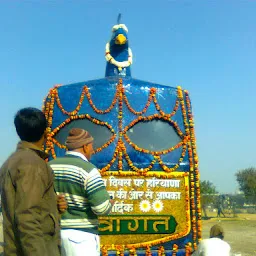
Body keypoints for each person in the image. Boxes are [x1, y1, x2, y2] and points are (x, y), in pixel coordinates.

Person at [0, 107, 67, 256]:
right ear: (45, 132)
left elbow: (23, 204)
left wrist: (52, 206)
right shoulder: (33, 164)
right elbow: (27, 216)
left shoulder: (12, 161)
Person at [49, 128, 113, 256]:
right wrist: (110, 201)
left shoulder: (50, 166)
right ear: (85, 147)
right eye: (91, 146)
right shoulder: (88, 170)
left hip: (55, 235)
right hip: (82, 238)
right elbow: (101, 208)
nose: (92, 150)